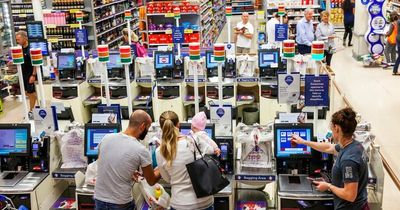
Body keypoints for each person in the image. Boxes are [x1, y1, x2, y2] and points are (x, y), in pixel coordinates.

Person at [291, 108, 369, 210]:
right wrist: (304, 142)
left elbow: (350, 195)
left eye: (332, 129)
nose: (331, 133)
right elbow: (329, 148)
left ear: (337, 128)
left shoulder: (348, 160)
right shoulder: (354, 145)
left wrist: (328, 186)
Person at [94, 110, 161, 210]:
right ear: (142, 126)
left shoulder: (106, 138)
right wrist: (164, 165)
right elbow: (151, 181)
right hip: (120, 203)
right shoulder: (141, 150)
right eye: (148, 128)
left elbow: (102, 162)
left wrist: (128, 171)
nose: (147, 132)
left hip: (99, 199)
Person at [156, 111, 215, 210]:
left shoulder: (160, 151)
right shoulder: (194, 140)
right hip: (204, 201)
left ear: (162, 128)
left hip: (180, 203)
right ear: (178, 124)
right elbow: (212, 152)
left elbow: (167, 179)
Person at [12, 31, 36, 119]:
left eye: (19, 39)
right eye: (17, 40)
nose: (18, 41)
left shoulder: (31, 49)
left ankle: (31, 111)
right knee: (26, 92)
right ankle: (33, 108)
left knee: (31, 93)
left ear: (25, 38)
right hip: (23, 74)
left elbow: (35, 63)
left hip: (30, 74)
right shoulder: (20, 49)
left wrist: (33, 75)